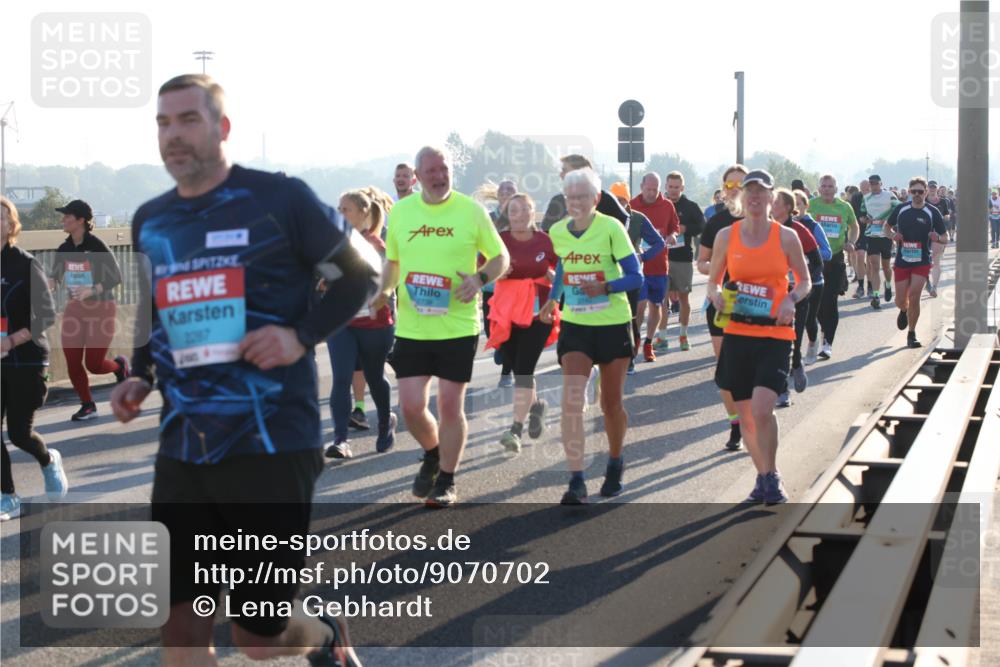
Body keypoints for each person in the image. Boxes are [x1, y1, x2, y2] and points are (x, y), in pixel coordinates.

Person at [109, 74, 376, 666]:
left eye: (187, 120)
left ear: (222, 128)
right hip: (184, 447)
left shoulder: (281, 200)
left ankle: (326, 636)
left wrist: (299, 335)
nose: (172, 135)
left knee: (256, 640)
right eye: (162, 122)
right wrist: (142, 377)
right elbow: (161, 313)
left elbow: (364, 274)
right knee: (179, 627)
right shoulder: (151, 219)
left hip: (273, 441)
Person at [372, 145, 509, 508]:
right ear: (418, 176)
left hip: (459, 325)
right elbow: (393, 261)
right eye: (430, 170)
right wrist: (384, 290)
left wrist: (479, 279)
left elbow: (501, 257)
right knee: (412, 407)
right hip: (414, 328)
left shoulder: (471, 211)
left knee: (450, 405)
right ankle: (433, 452)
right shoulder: (401, 212)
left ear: (451, 171)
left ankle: (446, 479)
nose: (438, 175)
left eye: (443, 169)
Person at [539, 167, 642, 504]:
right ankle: (577, 479)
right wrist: (554, 299)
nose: (577, 202)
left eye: (583, 196)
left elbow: (635, 276)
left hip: (612, 323)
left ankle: (615, 462)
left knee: (611, 403)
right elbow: (564, 267)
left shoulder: (611, 227)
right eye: (571, 197)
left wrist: (605, 286)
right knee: (572, 401)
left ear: (596, 199)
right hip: (577, 324)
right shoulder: (557, 231)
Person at [707, 170, 811, 505]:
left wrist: (789, 299)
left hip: (775, 335)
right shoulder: (727, 235)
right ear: (741, 197)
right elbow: (713, 280)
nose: (754, 197)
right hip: (737, 333)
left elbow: (805, 281)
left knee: (764, 409)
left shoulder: (785, 238)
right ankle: (762, 475)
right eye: (748, 191)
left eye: (761, 192)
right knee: (748, 416)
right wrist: (716, 294)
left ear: (771, 198)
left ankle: (772, 474)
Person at [1, 197, 66, 521]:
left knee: (18, 434)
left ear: (11, 225)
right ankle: (7, 496)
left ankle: (48, 460)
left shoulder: (25, 263)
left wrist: (12, 340)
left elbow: (46, 316)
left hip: (26, 359)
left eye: (0, 218)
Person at [324, 188, 398, 459]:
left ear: (364, 213)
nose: (341, 214)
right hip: (342, 322)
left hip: (375, 323)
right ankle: (341, 440)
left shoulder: (377, 245)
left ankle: (384, 422)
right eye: (339, 209)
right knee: (341, 378)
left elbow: (384, 279)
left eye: (347, 209)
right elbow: (326, 269)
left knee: (375, 377)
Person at [487, 193, 557, 453]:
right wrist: (497, 271)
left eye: (524, 210)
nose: (519, 215)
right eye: (514, 211)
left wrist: (551, 275)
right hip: (507, 314)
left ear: (532, 212)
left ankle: (515, 429)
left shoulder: (544, 241)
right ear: (508, 214)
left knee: (524, 371)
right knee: (518, 370)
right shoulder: (500, 240)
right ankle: (537, 406)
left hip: (538, 316)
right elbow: (482, 265)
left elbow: (561, 270)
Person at [49, 199, 129, 422]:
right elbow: (54, 277)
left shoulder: (96, 245)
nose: (63, 220)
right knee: (72, 360)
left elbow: (116, 277)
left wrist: (92, 290)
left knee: (94, 365)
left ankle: (119, 366)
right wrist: (46, 282)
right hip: (75, 309)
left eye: (67, 216)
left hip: (101, 309)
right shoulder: (64, 248)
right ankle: (88, 405)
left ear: (81, 220)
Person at [697, 164, 748, 451]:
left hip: (758, 300)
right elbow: (702, 263)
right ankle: (735, 424)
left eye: (742, 184)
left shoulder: (763, 221)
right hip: (725, 299)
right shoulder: (716, 223)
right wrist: (719, 266)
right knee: (726, 369)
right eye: (730, 185)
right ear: (724, 189)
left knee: (750, 365)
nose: (736, 190)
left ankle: (754, 416)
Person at [772, 188, 825, 405]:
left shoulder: (800, 231)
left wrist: (802, 282)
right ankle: (790, 371)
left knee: (791, 337)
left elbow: (817, 262)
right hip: (773, 292)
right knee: (774, 342)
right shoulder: (765, 229)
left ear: (787, 206)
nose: (771, 206)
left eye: (775, 203)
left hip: (797, 293)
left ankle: (787, 383)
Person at [608, 182, 665, 374]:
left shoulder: (638, 219)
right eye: (614, 200)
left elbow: (659, 242)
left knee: (631, 318)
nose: (618, 204)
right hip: (607, 277)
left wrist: (642, 257)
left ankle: (629, 358)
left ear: (627, 200)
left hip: (631, 277)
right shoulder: (599, 220)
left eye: (622, 200)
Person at [886, 177, 947, 348]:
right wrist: (893, 236)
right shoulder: (901, 209)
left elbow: (945, 237)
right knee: (900, 300)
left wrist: (937, 238)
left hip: (922, 260)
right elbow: (886, 227)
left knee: (914, 296)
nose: (918, 195)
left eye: (921, 191)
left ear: (926, 192)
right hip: (902, 259)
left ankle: (911, 333)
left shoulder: (932, 212)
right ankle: (903, 310)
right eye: (914, 191)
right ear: (910, 191)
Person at [808, 174, 859, 361]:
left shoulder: (844, 207)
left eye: (831, 186)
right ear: (819, 188)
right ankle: (822, 333)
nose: (827, 189)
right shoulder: (811, 205)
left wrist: (852, 241)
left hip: (836, 258)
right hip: (815, 259)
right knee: (817, 303)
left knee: (830, 301)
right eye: (824, 186)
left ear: (836, 189)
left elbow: (855, 227)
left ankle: (827, 342)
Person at [630, 172, 679, 359]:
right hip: (638, 267)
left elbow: (674, 226)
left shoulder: (667, 205)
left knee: (657, 306)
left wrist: (673, 235)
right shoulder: (632, 206)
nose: (651, 193)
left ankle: (649, 342)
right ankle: (635, 342)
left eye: (655, 189)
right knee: (639, 306)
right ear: (641, 187)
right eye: (648, 189)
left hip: (659, 265)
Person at [664, 171, 705, 351]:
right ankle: (662, 336)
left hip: (682, 258)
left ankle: (683, 335)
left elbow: (703, 226)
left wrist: (686, 228)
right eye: (670, 187)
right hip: (661, 258)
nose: (673, 191)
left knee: (683, 298)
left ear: (682, 188)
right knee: (661, 301)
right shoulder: (660, 205)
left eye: (677, 187)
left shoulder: (690, 206)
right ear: (665, 187)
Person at [540, 154, 629, 231]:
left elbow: (624, 219)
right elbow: (546, 231)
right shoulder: (558, 200)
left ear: (579, 171)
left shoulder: (605, 199)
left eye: (564, 170)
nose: (560, 175)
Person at [794, 190, 830, 368]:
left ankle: (813, 343)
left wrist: (805, 255)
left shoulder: (813, 226)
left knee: (808, 319)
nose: (795, 209)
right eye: (791, 204)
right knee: (791, 319)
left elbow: (827, 253)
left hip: (813, 280)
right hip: (790, 281)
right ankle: (794, 355)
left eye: (798, 204)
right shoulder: (782, 227)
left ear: (805, 206)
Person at [860, 174, 898, 309]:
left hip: (886, 235)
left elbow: (898, 209)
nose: (874, 186)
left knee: (886, 267)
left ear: (881, 183)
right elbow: (862, 214)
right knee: (875, 266)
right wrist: (864, 220)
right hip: (872, 235)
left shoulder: (889, 195)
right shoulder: (866, 197)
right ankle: (876, 296)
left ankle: (888, 284)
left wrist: (887, 220)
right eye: (871, 184)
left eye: (876, 183)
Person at [925, 181, 950, 297]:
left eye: (934, 187)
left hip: (939, 233)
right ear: (927, 188)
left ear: (937, 189)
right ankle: (927, 282)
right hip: (924, 233)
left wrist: (945, 217)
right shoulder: (923, 201)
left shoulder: (943, 201)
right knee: (924, 261)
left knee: (936, 261)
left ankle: (934, 286)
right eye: (930, 187)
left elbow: (947, 214)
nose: (932, 189)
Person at [849, 179, 870, 296]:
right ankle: (861, 286)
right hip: (860, 231)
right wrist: (860, 219)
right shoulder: (856, 197)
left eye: (867, 189)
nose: (864, 192)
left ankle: (871, 286)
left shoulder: (876, 197)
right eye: (862, 189)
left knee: (872, 261)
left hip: (874, 231)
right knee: (860, 256)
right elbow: (853, 214)